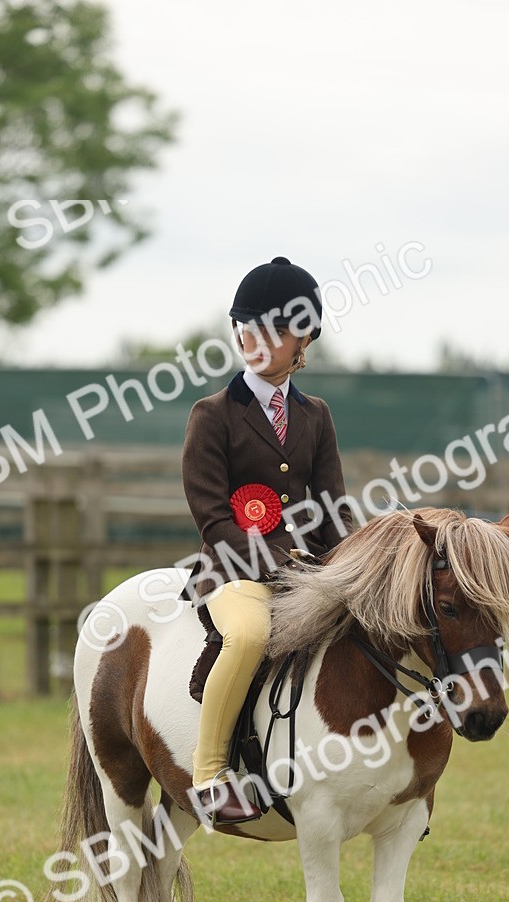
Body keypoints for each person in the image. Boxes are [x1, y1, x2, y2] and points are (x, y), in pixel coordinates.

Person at [181, 256, 351, 825]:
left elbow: (333, 508)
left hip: (308, 571)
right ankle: (209, 777)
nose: (258, 339)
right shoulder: (213, 416)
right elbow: (211, 518)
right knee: (251, 635)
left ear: (304, 341)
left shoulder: (317, 416)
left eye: (276, 330)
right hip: (233, 572)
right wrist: (281, 562)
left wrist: (348, 567)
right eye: (247, 326)